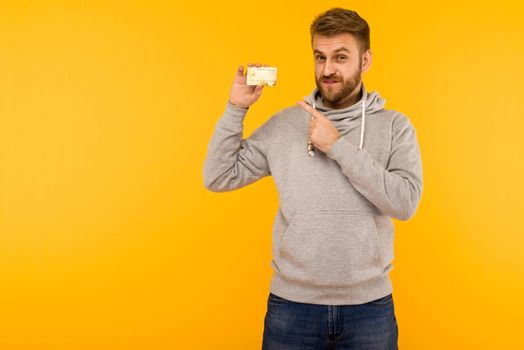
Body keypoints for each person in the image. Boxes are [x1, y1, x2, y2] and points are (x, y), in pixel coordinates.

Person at [203, 7, 423, 350]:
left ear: (365, 61)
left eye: (340, 57)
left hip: (369, 309)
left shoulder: (395, 127)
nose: (327, 70)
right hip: (291, 308)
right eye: (320, 57)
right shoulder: (286, 124)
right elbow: (218, 175)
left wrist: (337, 147)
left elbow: (406, 203)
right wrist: (236, 108)